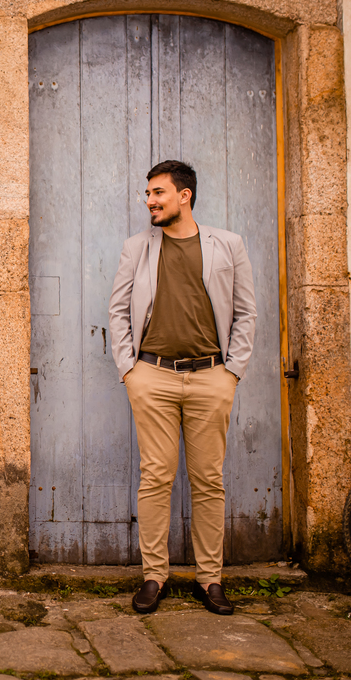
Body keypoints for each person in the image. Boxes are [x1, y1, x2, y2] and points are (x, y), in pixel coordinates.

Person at [108, 161, 256, 615]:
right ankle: (155, 575)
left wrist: (232, 372)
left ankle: (210, 579)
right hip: (152, 377)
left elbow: (247, 313)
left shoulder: (227, 245)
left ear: (184, 195)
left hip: (211, 377)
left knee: (209, 481)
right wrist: (129, 370)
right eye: (148, 194)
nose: (150, 201)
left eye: (158, 193)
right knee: (156, 477)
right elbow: (117, 310)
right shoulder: (138, 247)